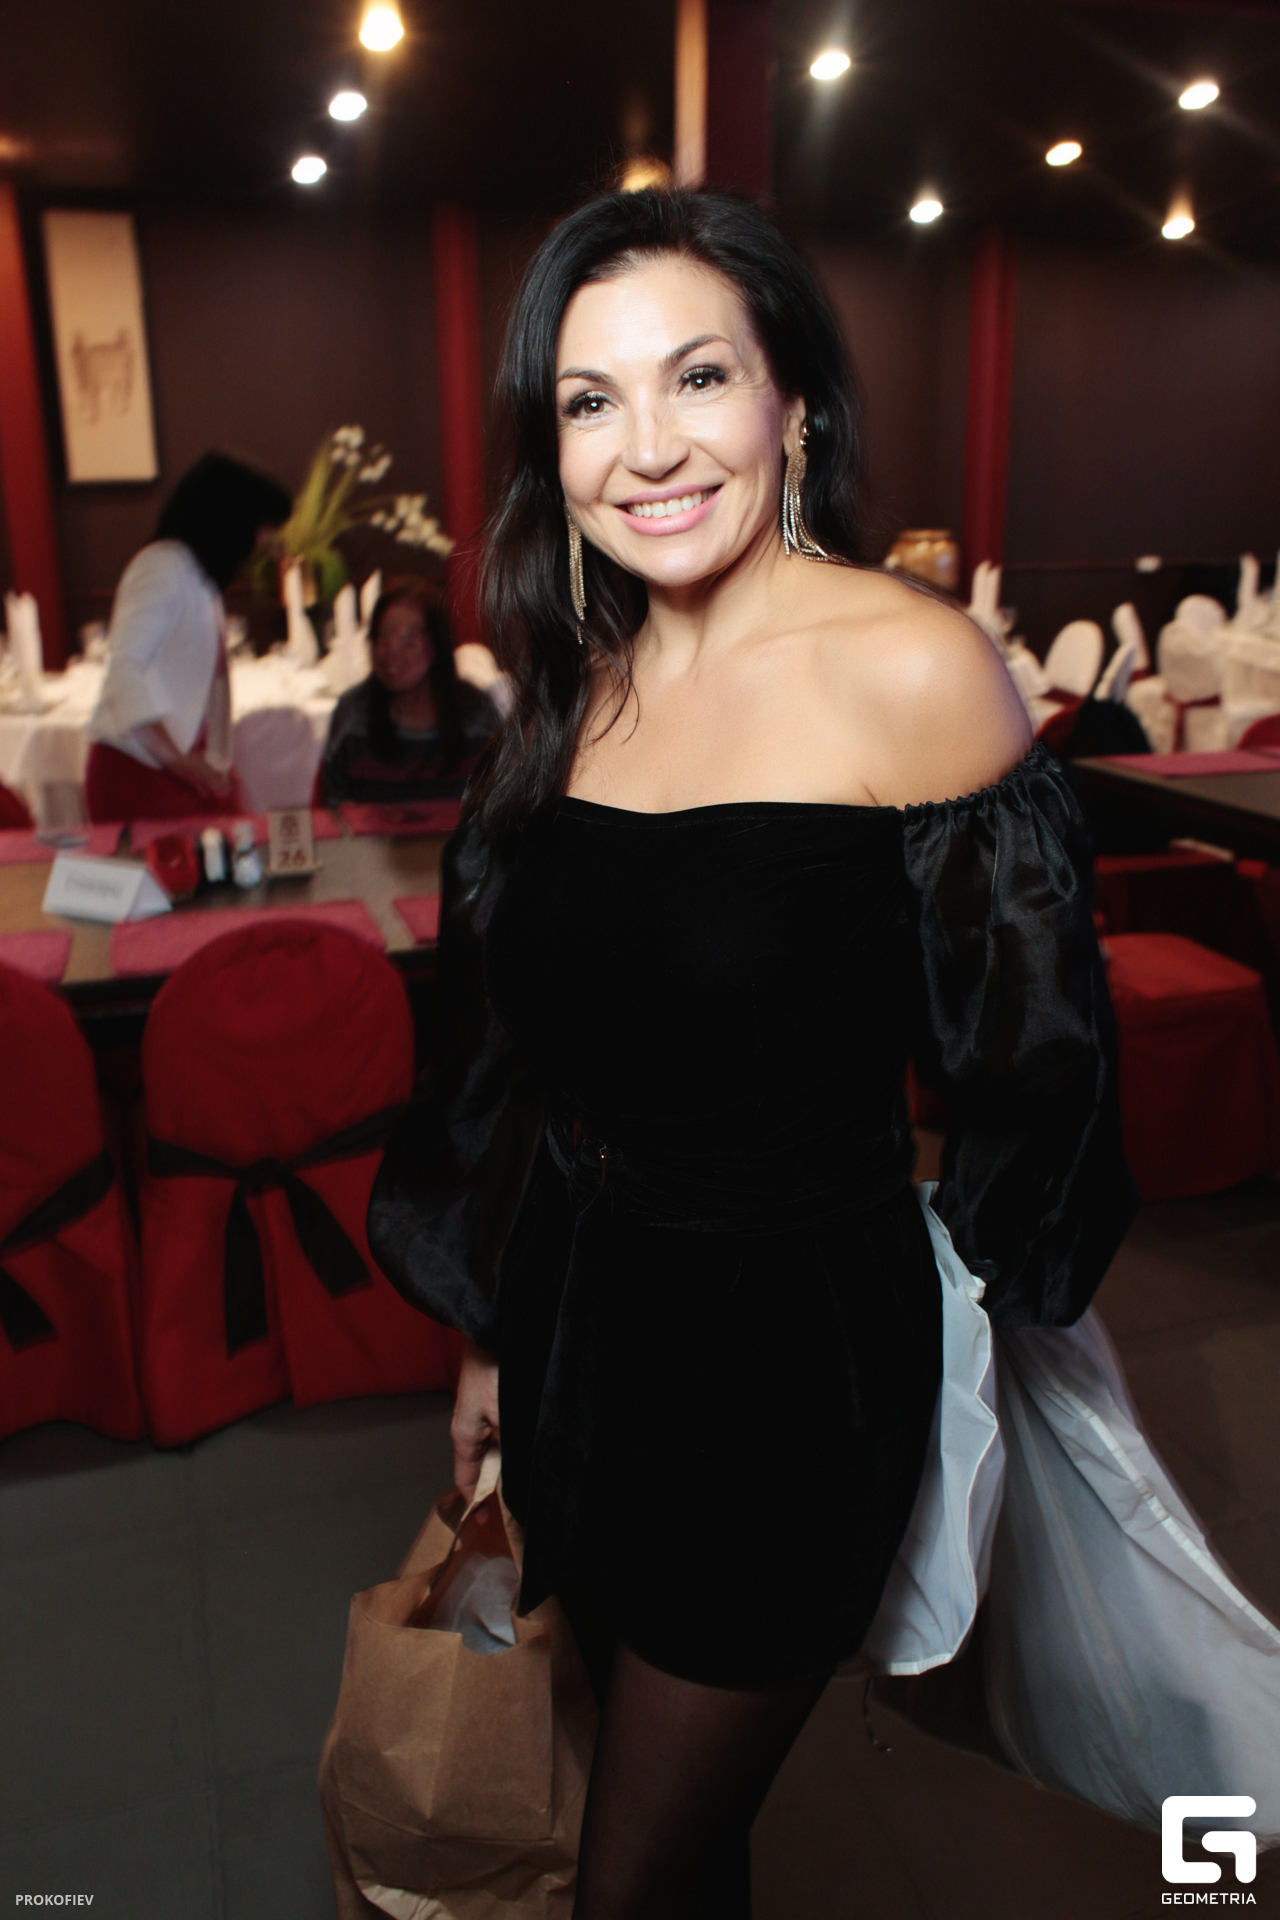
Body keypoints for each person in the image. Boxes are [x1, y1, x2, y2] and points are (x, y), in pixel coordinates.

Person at [368, 190, 1136, 1919]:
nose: (648, 447)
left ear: (790, 400)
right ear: (549, 446)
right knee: (678, 1836)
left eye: (698, 377)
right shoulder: (576, 683)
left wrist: (979, 1355)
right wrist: (488, 1332)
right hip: (579, 1331)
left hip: (789, 1362)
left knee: (630, 1879)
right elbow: (507, 1056)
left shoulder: (910, 667)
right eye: (590, 399)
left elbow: (1038, 1071)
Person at [84, 452, 291, 822]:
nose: (265, 539)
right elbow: (124, 670)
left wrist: (212, 761)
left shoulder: (199, 575)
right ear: (231, 519)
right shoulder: (160, 567)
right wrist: (177, 760)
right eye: (262, 525)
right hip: (137, 771)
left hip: (174, 767)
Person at [317, 577, 499, 805]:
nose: (391, 652)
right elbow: (332, 802)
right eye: (381, 638)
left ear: (437, 646)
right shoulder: (354, 714)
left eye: (408, 641)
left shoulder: (476, 715)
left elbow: (500, 801)